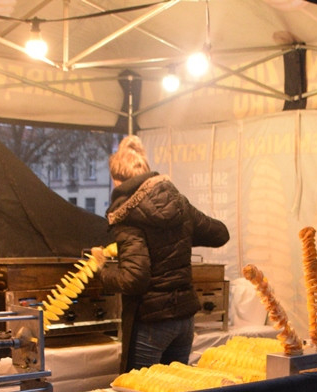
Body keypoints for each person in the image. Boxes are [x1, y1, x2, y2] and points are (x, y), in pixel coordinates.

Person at [94, 135, 229, 372]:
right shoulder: (179, 203)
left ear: (117, 180)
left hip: (151, 323)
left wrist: (101, 271)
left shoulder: (127, 214)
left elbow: (134, 278)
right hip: (184, 321)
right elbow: (220, 233)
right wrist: (178, 235)